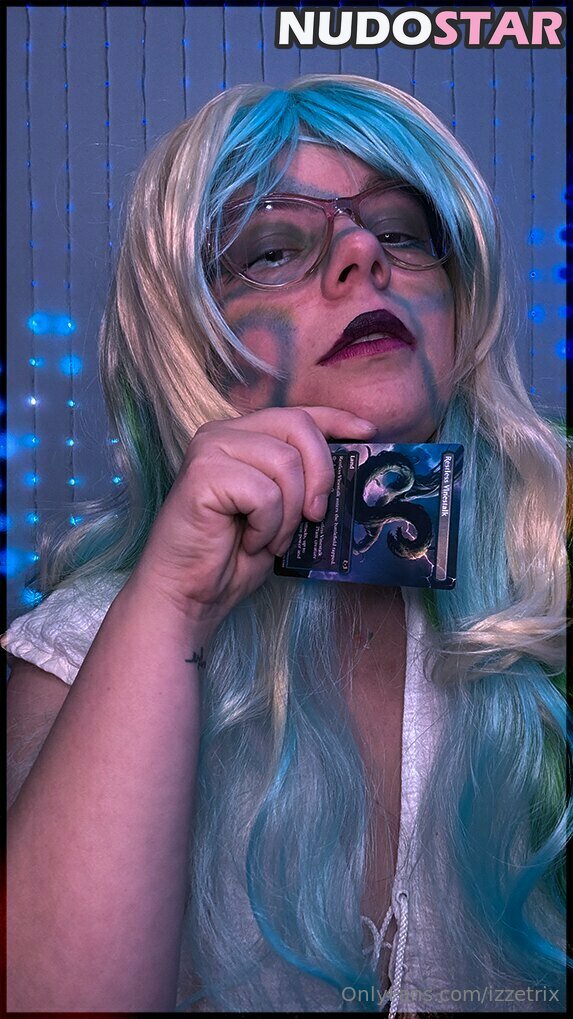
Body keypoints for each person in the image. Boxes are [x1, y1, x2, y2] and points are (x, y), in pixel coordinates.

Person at [4, 75, 568, 1014]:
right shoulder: (80, 650)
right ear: (189, 341)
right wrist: (172, 605)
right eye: (271, 248)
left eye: (401, 232)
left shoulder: (549, 582)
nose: (361, 253)